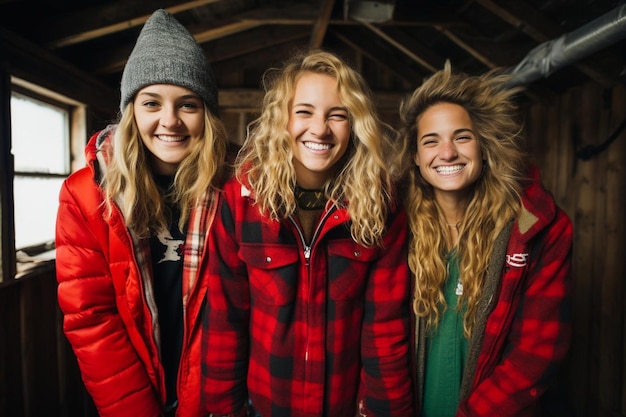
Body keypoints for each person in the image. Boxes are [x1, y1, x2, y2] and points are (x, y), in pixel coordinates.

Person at [200, 49, 414, 417]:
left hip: (345, 406)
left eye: (338, 115)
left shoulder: (383, 205)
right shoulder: (240, 199)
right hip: (263, 405)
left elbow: (386, 329)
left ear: (355, 125)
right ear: (281, 120)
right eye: (304, 112)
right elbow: (224, 320)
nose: (320, 129)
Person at [55, 9, 228, 417]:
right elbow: (91, 319)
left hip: (216, 393)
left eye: (188, 104)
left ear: (207, 114)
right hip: (135, 388)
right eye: (152, 103)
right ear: (132, 111)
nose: (170, 121)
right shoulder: (84, 195)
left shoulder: (238, 188)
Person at [397, 61, 573, 417]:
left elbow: (536, 354)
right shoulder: (394, 225)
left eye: (462, 137)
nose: (447, 153)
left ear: (484, 146)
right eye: (431, 141)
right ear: (416, 157)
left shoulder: (536, 228)